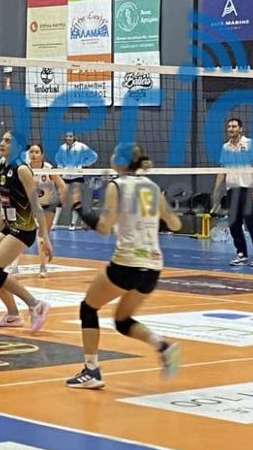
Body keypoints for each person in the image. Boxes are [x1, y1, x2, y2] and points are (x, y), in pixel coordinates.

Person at [67, 143, 182, 389]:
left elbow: (104, 227)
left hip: (128, 262)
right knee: (122, 320)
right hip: (153, 266)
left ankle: (91, 370)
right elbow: (175, 224)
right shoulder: (152, 187)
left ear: (119, 161)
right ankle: (162, 345)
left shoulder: (117, 185)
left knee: (88, 307)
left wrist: (79, 209)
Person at [0, 131, 53, 331]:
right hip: (9, 226)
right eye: (2, 140)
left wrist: (45, 236)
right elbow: (7, 201)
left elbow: (36, 205)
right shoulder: (3, 165)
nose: (2, 143)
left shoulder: (22, 170)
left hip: (23, 228)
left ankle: (36, 305)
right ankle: (13, 315)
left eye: (8, 141)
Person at [212, 117, 253, 268]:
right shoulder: (225, 147)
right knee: (234, 224)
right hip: (232, 190)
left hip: (247, 189)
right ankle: (241, 253)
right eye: (229, 126)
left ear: (240, 129)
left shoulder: (249, 144)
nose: (231, 129)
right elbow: (222, 169)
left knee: (251, 222)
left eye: (234, 126)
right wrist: (216, 190)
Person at [25, 142, 66, 276]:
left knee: (43, 235)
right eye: (31, 152)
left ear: (42, 155)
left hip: (48, 204)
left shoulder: (48, 168)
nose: (33, 155)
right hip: (31, 205)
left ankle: (43, 266)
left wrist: (63, 195)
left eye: (37, 152)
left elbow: (62, 185)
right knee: (20, 233)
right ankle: (14, 264)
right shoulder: (25, 169)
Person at [55, 132, 98, 230]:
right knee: (60, 200)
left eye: (70, 136)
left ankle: (73, 224)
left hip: (77, 176)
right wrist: (61, 169)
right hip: (66, 176)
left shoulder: (81, 146)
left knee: (76, 200)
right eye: (67, 136)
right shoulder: (62, 148)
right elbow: (59, 160)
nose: (68, 138)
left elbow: (94, 156)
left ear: (74, 137)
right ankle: (54, 223)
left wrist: (83, 164)